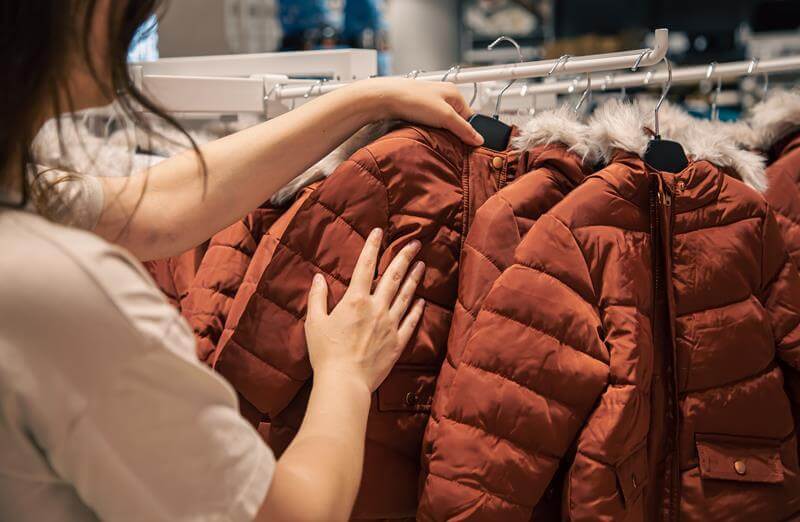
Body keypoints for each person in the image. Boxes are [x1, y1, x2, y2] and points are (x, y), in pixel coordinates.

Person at [0, 1, 483, 521]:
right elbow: (288, 514)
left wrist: (363, 101)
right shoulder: (60, 293)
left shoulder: (30, 232)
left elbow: (156, 206)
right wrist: (346, 374)